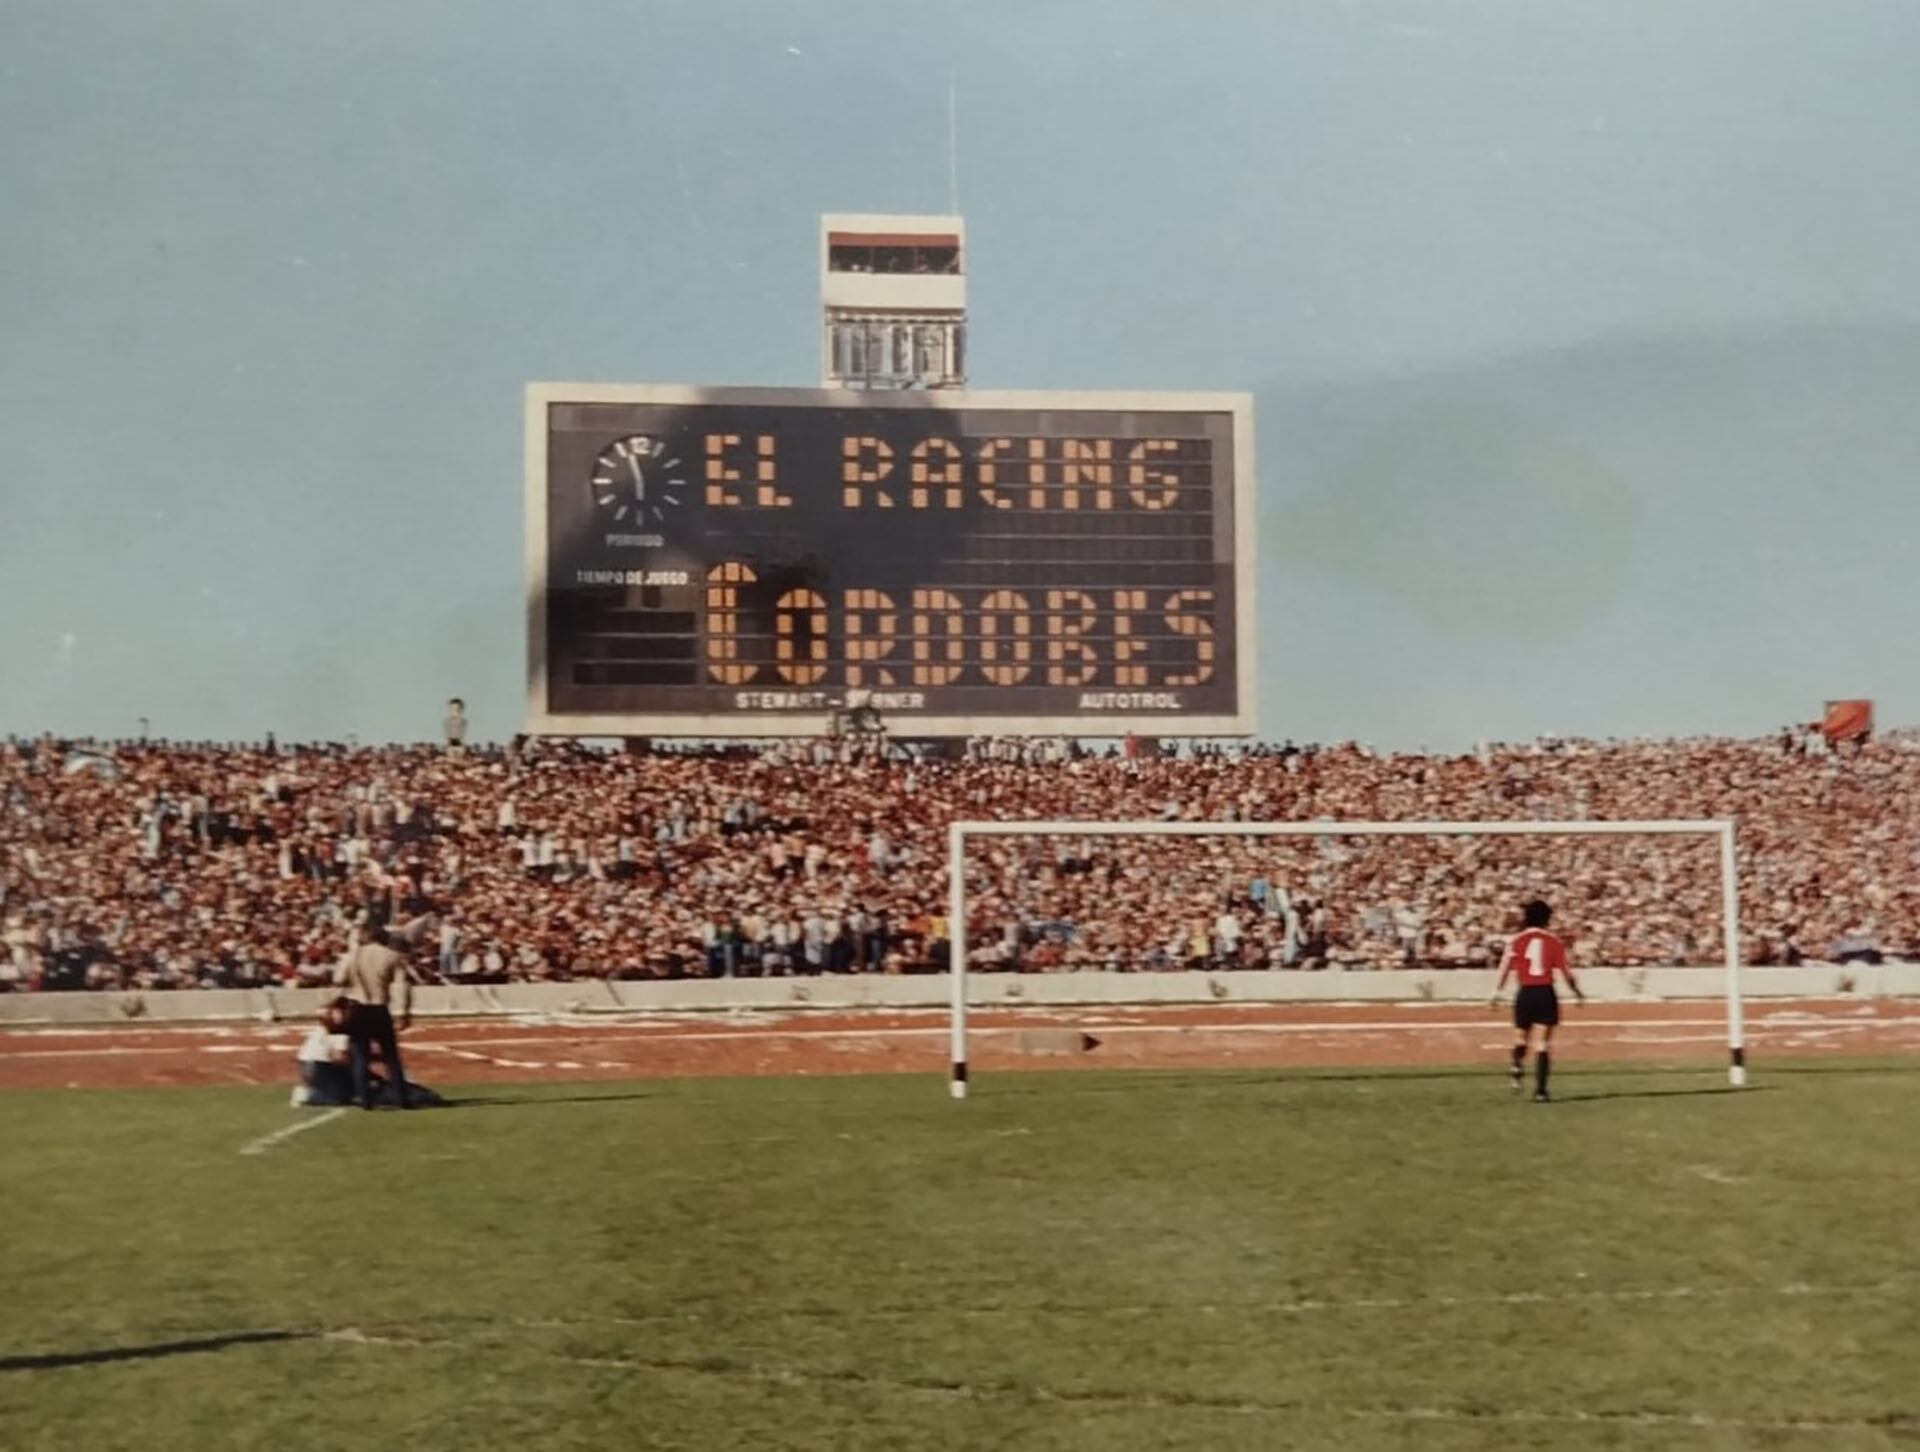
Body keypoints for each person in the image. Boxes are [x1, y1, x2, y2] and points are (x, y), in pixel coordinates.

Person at [1490, 899, 1585, 1102]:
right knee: (1542, 1043)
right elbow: (1566, 972)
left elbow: (1505, 967)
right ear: (1546, 919)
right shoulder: (1553, 941)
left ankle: (1516, 1063)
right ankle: (1541, 1092)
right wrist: (1576, 992)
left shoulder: (1516, 940)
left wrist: (1497, 993)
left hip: (1525, 992)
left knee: (1520, 1038)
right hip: (1545, 992)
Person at [333, 924, 414, 1111]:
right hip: (379, 1008)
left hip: (357, 1008)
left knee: (360, 1056)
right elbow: (402, 986)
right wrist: (403, 1012)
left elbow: (338, 979)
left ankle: (364, 1099)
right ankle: (402, 1098)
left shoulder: (352, 956)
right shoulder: (391, 956)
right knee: (391, 1056)